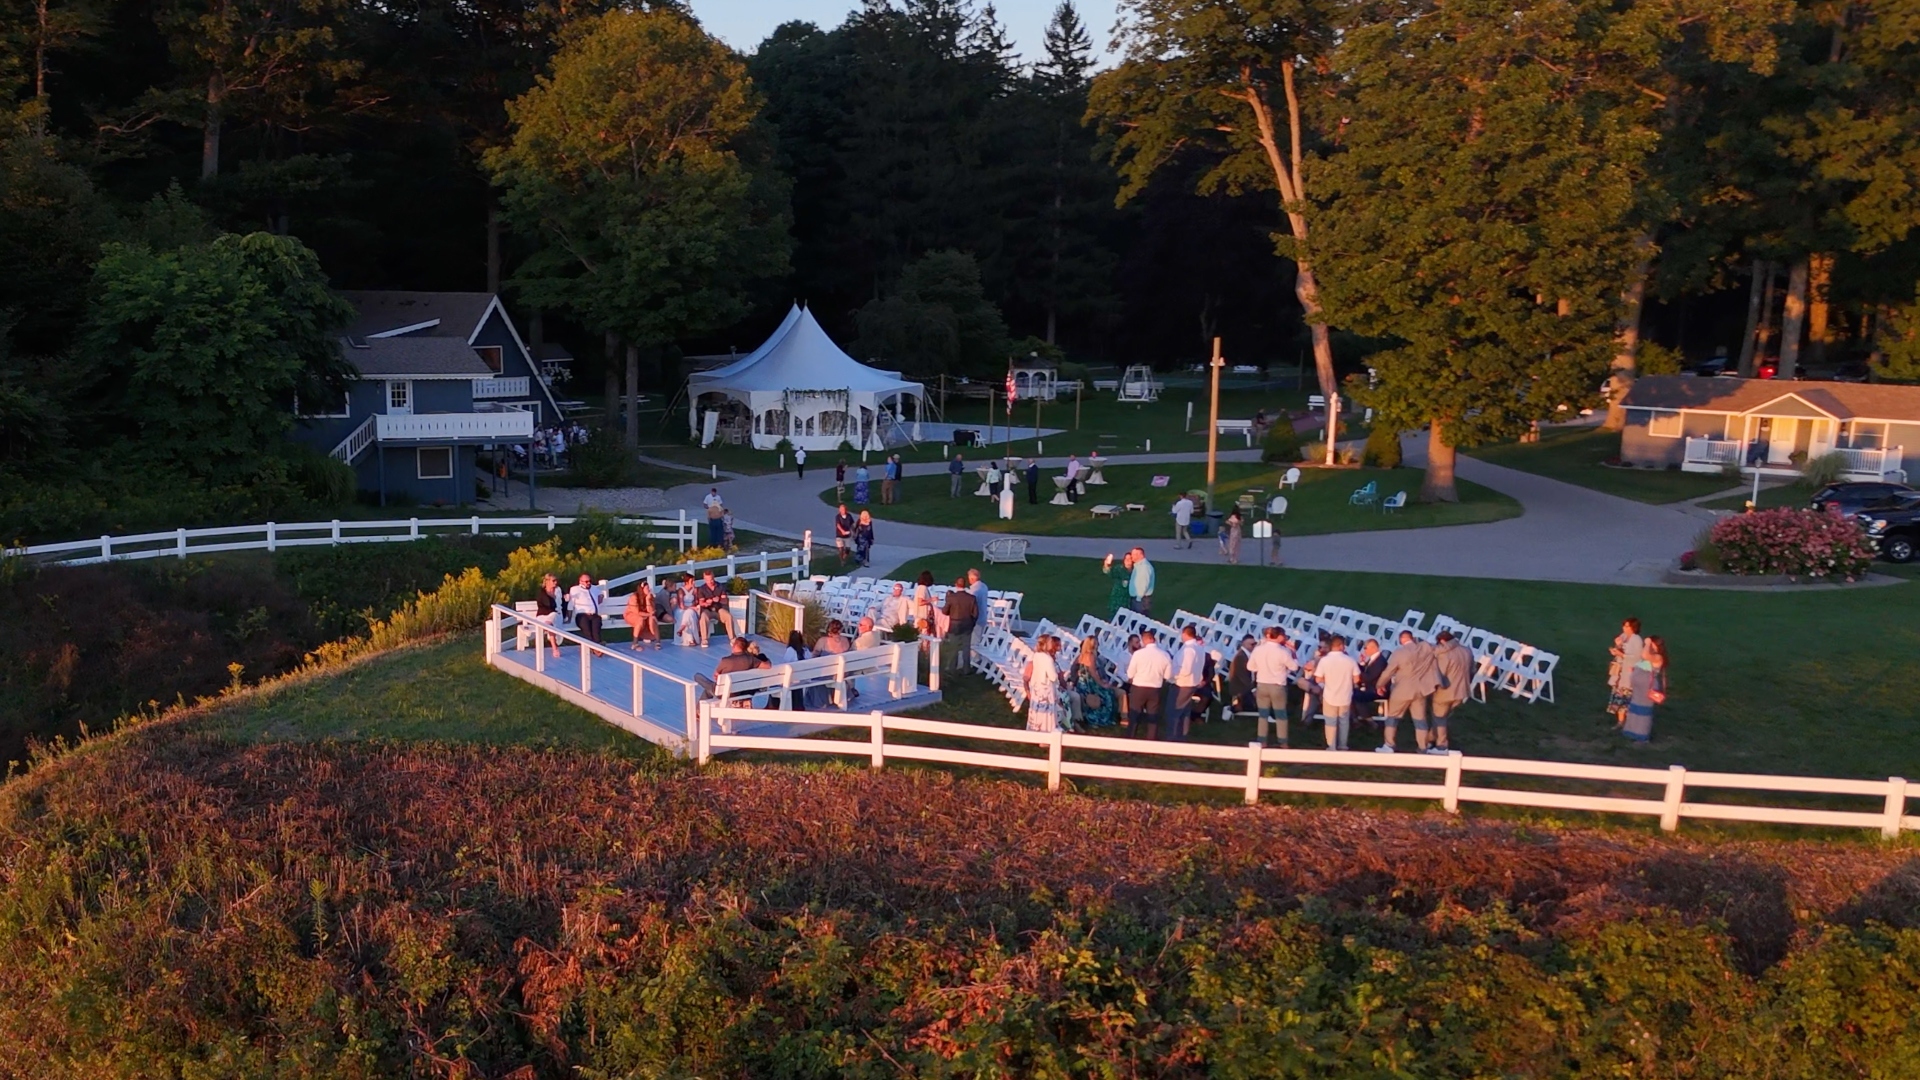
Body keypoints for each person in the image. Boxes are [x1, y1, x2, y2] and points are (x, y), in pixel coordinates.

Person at [1377, 630, 1442, 754]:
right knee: (1420, 720)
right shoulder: (1425, 649)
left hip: (1402, 690)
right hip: (1420, 690)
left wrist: (1380, 684)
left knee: (1393, 717)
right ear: (1413, 638)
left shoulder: (1400, 652)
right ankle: (1423, 746)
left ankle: (1389, 745)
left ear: (1401, 639)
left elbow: (1389, 671)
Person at [1248, 627, 1298, 747]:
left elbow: (1250, 667)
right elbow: (1294, 667)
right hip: (1277, 685)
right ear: (1279, 636)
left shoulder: (1258, 649)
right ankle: (1283, 742)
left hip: (1262, 684)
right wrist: (1294, 653)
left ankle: (1262, 740)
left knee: (1263, 714)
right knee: (1280, 714)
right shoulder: (1283, 651)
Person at [1312, 635, 1362, 750]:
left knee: (1330, 721)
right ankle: (1343, 745)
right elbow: (1357, 679)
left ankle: (1331, 746)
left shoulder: (1324, 660)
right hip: (1345, 695)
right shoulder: (1350, 660)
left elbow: (1318, 679)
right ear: (1341, 646)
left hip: (1329, 695)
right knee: (1344, 721)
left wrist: (1327, 681)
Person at [1430, 630, 1474, 751]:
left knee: (1439, 718)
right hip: (1462, 691)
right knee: (1443, 716)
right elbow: (1472, 671)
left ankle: (1441, 745)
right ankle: (1431, 738)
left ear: (1443, 641)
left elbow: (1439, 675)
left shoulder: (1444, 655)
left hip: (1446, 692)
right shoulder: (1467, 651)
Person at [1125, 629, 1172, 739]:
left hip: (1139, 688)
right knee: (1153, 716)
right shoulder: (1165, 655)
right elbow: (1168, 676)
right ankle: (1151, 742)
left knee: (1134, 715)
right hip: (1155, 688)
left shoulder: (1138, 654)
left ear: (1144, 640)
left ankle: (1130, 740)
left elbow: (1130, 673)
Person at [1163, 627, 1206, 742]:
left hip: (1182, 683)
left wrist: (1172, 676)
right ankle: (1182, 736)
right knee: (1185, 711)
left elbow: (1186, 670)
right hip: (1192, 683)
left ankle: (1173, 737)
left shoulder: (1189, 649)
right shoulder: (1199, 648)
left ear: (1185, 634)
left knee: (1174, 710)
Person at [1622, 636, 1667, 742]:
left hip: (1647, 687)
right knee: (1635, 708)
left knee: (1643, 711)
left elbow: (1645, 655)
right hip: (1639, 687)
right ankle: (1631, 731)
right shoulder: (1650, 656)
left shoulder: (1657, 657)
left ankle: (1641, 735)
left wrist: (1647, 643)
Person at [1069, 637, 1119, 728]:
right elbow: (1093, 673)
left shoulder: (1081, 655)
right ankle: (1099, 719)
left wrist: (1075, 679)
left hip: (1081, 683)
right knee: (1108, 694)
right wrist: (1102, 684)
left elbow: (1073, 667)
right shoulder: (1091, 656)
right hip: (1089, 684)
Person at [1607, 617, 1644, 729]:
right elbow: (1620, 649)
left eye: (1627, 626)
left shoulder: (1636, 640)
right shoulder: (1623, 636)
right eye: (1624, 625)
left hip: (1629, 673)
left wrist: (1621, 655)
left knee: (1627, 697)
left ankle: (1630, 722)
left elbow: (1637, 658)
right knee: (1619, 695)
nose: (1624, 628)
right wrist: (1616, 648)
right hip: (1620, 672)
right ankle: (1620, 721)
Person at [1024, 635, 1063, 732]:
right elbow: (1053, 677)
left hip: (1037, 686)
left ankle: (1034, 730)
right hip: (1046, 689)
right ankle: (1045, 733)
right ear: (1046, 643)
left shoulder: (1036, 655)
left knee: (1037, 710)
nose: (1051, 644)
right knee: (1046, 713)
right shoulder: (1048, 658)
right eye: (1050, 642)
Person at [943, 577, 978, 672]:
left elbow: (944, 611)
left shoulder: (951, 598)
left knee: (954, 647)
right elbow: (975, 614)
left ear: (956, 585)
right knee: (966, 647)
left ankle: (952, 668)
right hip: (967, 625)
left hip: (954, 624)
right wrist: (972, 623)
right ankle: (966, 668)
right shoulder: (971, 598)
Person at [1354, 639, 1388, 727]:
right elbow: (1367, 672)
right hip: (1371, 688)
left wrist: (1356, 674)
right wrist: (1360, 664)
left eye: (1366, 648)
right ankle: (1356, 719)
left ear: (1373, 648)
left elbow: (1369, 677)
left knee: (1357, 697)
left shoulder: (1380, 661)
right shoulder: (1374, 659)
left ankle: (1369, 721)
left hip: (1377, 690)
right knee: (1352, 694)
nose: (1364, 650)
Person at [695, 569, 733, 646]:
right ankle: (704, 639)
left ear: (714, 577)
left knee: (728, 616)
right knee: (703, 617)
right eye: (708, 580)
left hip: (719, 609)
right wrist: (706, 603)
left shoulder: (720, 586)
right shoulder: (702, 589)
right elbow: (701, 603)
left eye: (711, 579)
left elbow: (725, 600)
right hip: (707, 610)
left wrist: (719, 599)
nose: (710, 582)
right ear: (705, 579)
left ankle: (732, 638)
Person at [533, 573, 565, 658]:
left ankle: (547, 627)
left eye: (556, 580)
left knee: (553, 616)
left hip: (556, 615)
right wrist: (553, 598)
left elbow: (563, 603)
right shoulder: (542, 593)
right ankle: (554, 648)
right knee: (549, 622)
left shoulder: (558, 590)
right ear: (547, 581)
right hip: (543, 616)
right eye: (553, 581)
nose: (555, 582)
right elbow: (545, 606)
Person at [624, 580, 661, 651]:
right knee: (640, 620)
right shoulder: (634, 597)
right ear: (642, 589)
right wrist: (649, 614)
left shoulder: (650, 596)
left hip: (645, 615)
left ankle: (658, 642)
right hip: (632, 615)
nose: (649, 590)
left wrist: (648, 600)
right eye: (647, 588)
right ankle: (635, 643)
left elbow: (652, 611)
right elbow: (636, 612)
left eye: (648, 588)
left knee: (652, 619)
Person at [567, 573, 604, 644]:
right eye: (586, 581)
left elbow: (601, 594)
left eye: (590, 581)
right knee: (587, 630)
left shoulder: (594, 588)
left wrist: (601, 597)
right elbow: (570, 604)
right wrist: (569, 618)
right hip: (582, 615)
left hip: (594, 615)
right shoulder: (575, 589)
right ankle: (593, 647)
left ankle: (597, 646)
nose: (589, 583)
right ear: (580, 582)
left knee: (596, 629)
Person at [1101, 551, 1133, 617]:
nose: (1127, 561)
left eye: (1129, 559)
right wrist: (1107, 564)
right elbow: (1109, 571)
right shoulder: (1119, 569)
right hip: (1117, 600)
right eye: (1126, 559)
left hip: (1129, 601)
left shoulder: (1135, 571)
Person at [672, 575, 699, 645]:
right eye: (692, 581)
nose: (693, 582)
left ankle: (682, 628)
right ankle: (691, 640)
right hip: (682, 609)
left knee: (690, 613)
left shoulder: (695, 590)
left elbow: (696, 602)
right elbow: (682, 606)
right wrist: (692, 608)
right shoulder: (681, 590)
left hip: (692, 608)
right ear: (687, 582)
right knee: (688, 613)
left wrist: (693, 607)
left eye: (694, 581)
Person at [1127, 547, 1155, 614]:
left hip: (1141, 600)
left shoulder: (1144, 567)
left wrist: (1138, 599)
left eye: (1133, 554)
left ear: (1140, 555)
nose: (1132, 556)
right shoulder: (1138, 566)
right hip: (1138, 598)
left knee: (1139, 619)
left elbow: (1144, 584)